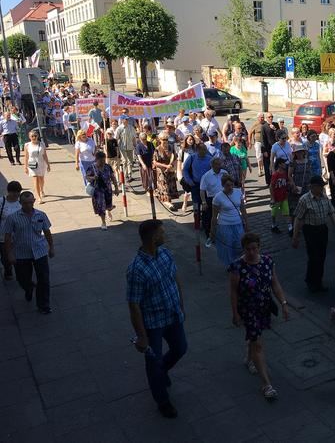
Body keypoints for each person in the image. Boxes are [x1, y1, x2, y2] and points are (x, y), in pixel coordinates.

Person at [126, 219, 187, 419]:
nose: (165, 234)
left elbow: (175, 278)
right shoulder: (136, 269)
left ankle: (162, 372)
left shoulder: (165, 253)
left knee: (180, 348)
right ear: (153, 237)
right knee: (153, 362)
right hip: (152, 323)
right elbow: (134, 305)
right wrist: (141, 337)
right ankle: (162, 401)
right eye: (162, 232)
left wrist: (181, 304)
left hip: (172, 314)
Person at [228, 232, 289, 399]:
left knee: (255, 339)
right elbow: (233, 292)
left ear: (259, 247)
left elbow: (275, 284)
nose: (252, 252)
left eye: (255, 248)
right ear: (244, 249)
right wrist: (235, 313)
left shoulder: (268, 262)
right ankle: (266, 385)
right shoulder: (237, 266)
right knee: (258, 344)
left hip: (263, 307)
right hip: (247, 310)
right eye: (248, 249)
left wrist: (283, 303)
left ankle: (249, 359)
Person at [4, 191, 55, 314]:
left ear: (33, 202)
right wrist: (9, 253)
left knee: (43, 279)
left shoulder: (41, 215)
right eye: (25, 203)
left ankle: (43, 305)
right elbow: (7, 236)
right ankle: (28, 287)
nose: (28, 205)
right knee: (22, 279)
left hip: (39, 251)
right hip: (21, 253)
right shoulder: (13, 218)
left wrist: (51, 247)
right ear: (20, 203)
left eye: (30, 202)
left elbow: (47, 231)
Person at [292, 175, 335, 292]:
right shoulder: (304, 200)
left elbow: (331, 213)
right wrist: (295, 237)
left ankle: (318, 281)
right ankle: (310, 281)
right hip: (310, 230)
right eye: (320, 187)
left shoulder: (324, 197)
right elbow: (298, 218)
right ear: (313, 187)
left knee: (322, 256)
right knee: (314, 257)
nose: (322, 189)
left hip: (322, 229)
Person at [211, 174, 248, 267]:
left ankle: (239, 262)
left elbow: (243, 209)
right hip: (224, 225)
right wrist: (212, 230)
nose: (230, 187)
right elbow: (214, 216)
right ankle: (230, 265)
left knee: (239, 245)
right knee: (228, 247)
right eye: (228, 185)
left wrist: (247, 222)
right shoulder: (218, 197)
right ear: (223, 185)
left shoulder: (238, 192)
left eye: (232, 185)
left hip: (237, 223)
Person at [85, 151, 119, 230]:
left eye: (104, 160)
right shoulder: (91, 168)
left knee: (108, 205)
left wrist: (116, 188)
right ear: (96, 159)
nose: (103, 162)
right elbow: (87, 177)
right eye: (101, 160)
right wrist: (93, 178)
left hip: (108, 189)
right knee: (100, 206)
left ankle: (109, 210)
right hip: (98, 191)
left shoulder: (107, 167)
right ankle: (103, 222)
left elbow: (112, 177)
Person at [200, 158, 228, 247]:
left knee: (225, 217)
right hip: (212, 198)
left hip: (224, 197)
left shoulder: (224, 173)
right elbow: (202, 190)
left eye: (220, 164)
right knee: (209, 219)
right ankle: (210, 236)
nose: (219, 166)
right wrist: (204, 202)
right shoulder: (206, 176)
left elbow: (229, 184)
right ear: (212, 165)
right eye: (217, 164)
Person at [288, 144, 312, 237]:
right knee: (294, 207)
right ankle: (293, 227)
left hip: (307, 186)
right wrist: (293, 185)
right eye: (297, 152)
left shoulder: (308, 162)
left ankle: (304, 225)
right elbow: (289, 175)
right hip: (297, 186)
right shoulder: (292, 163)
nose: (299, 153)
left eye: (301, 152)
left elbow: (311, 173)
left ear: (304, 152)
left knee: (306, 206)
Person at [0, 181, 22, 281]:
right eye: (14, 193)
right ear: (9, 192)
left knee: (20, 257)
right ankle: (7, 269)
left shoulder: (21, 202)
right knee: (5, 257)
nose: (16, 195)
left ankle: (21, 273)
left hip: (19, 235)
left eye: (18, 192)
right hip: (3, 236)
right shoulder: (1, 202)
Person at [153, 133, 179, 211]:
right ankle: (168, 204)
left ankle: (168, 201)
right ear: (160, 140)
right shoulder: (157, 149)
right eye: (163, 140)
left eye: (166, 139)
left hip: (170, 170)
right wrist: (165, 166)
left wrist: (172, 166)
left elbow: (175, 158)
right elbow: (155, 162)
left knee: (170, 186)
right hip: (161, 171)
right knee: (165, 187)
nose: (165, 141)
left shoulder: (171, 147)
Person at [23, 130, 50, 204]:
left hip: (41, 163)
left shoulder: (42, 144)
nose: (34, 137)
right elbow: (26, 157)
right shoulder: (27, 145)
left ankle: (41, 190)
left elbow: (45, 155)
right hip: (32, 163)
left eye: (35, 136)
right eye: (32, 136)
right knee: (35, 179)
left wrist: (48, 164)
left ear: (37, 136)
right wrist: (25, 167)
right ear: (29, 137)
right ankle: (39, 197)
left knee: (41, 179)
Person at [182, 143, 212, 207]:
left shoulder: (210, 159)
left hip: (207, 186)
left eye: (205, 149)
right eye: (203, 149)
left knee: (207, 204)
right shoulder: (192, 157)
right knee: (196, 204)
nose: (205, 151)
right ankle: (197, 216)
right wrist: (189, 181)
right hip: (196, 185)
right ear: (198, 150)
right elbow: (185, 170)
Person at [269, 158, 289, 234]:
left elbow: (286, 182)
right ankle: (273, 225)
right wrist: (272, 198)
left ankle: (290, 228)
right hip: (276, 198)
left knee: (287, 212)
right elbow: (271, 186)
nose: (285, 164)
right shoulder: (275, 174)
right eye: (283, 163)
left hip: (284, 197)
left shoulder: (284, 173)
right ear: (280, 164)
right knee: (274, 213)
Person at [116, 116, 137, 180]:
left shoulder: (131, 127)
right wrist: (116, 147)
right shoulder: (119, 128)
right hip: (122, 147)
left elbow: (134, 137)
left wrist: (135, 145)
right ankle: (125, 175)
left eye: (127, 119)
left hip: (130, 146)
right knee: (124, 161)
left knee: (130, 161)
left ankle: (130, 174)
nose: (127, 120)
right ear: (122, 120)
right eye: (126, 119)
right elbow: (116, 137)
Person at [260, 112, 277, 184]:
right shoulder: (264, 127)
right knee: (267, 166)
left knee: (276, 164)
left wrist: (275, 129)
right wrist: (264, 151)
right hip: (268, 149)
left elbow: (279, 134)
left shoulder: (275, 124)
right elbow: (262, 139)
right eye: (269, 117)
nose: (271, 118)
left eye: (272, 117)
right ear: (266, 118)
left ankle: (275, 179)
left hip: (276, 148)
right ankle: (269, 181)